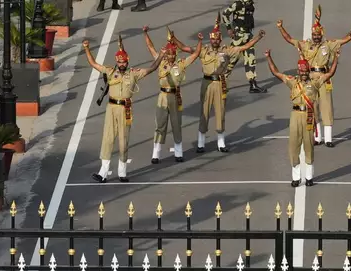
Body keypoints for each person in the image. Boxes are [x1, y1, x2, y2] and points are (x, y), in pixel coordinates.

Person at [83, 35, 164, 183]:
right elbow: (93, 64)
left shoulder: (133, 73)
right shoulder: (109, 71)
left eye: (123, 62)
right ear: (116, 61)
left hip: (125, 108)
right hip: (111, 107)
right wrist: (87, 48)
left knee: (123, 140)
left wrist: (162, 56)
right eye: (119, 62)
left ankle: (122, 172)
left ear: (127, 62)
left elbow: (152, 68)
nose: (121, 64)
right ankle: (103, 172)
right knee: (107, 139)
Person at [276, 6, 351, 147]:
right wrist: (280, 27)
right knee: (312, 106)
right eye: (314, 35)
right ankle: (317, 137)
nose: (315, 37)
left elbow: (344, 40)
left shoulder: (328, 45)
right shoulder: (306, 45)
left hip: (324, 77)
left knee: (326, 107)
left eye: (318, 35)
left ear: (322, 34)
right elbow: (289, 39)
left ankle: (328, 138)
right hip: (310, 78)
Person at [264, 47, 339, 187]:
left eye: (305, 71)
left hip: (308, 116)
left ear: (308, 70)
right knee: (293, 145)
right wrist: (268, 57)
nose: (303, 73)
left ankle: (309, 177)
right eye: (301, 71)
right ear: (298, 71)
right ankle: (296, 177)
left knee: (309, 146)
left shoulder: (315, 82)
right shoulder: (293, 82)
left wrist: (336, 58)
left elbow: (330, 73)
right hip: (295, 115)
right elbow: (276, 73)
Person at [194, 12, 265, 153]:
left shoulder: (227, 50)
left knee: (220, 113)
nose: (215, 41)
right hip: (206, 84)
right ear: (210, 40)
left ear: (220, 40)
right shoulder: (204, 50)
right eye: (213, 39)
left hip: (220, 83)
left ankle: (221, 143)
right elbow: (188, 49)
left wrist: (258, 37)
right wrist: (174, 41)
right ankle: (200, 143)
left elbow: (244, 47)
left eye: (217, 39)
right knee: (204, 112)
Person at [143, 26, 203, 164]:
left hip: (175, 96)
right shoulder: (161, 61)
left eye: (172, 54)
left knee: (176, 124)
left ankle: (178, 152)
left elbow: (195, 55)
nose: (170, 56)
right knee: (160, 125)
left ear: (175, 54)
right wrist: (145, 33)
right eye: (168, 54)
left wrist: (200, 41)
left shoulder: (180, 64)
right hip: (163, 95)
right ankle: (156, 154)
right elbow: (150, 47)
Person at [222, 0, 268, 93]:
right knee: (232, 59)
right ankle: (220, 80)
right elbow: (225, 14)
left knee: (251, 60)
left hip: (248, 36)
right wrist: (229, 28)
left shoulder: (250, 4)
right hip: (239, 36)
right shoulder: (238, 4)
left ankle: (253, 84)